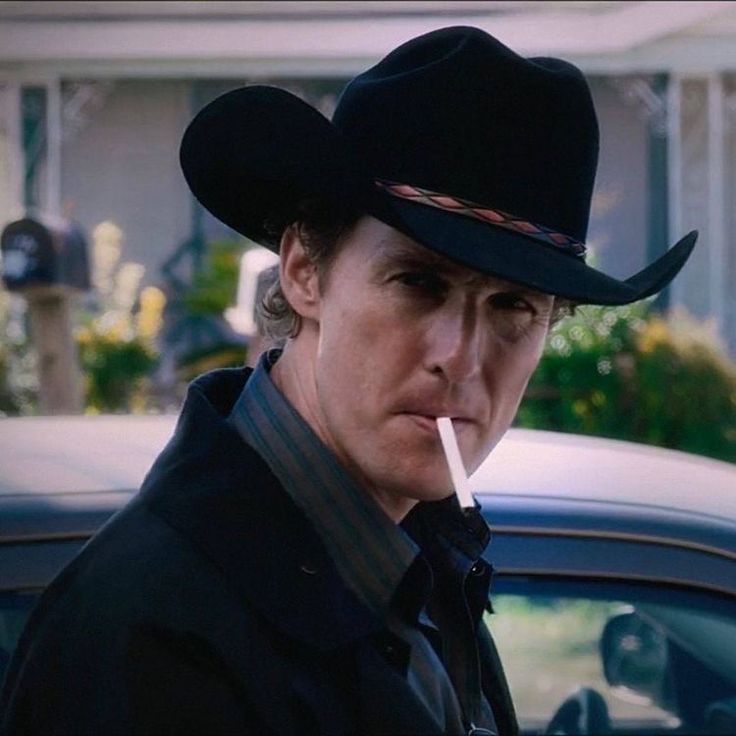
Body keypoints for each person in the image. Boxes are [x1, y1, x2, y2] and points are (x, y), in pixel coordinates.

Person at [0, 25, 695, 736]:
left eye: (514, 305)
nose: (460, 356)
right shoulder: (154, 635)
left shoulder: (414, 559)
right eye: (418, 282)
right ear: (303, 269)